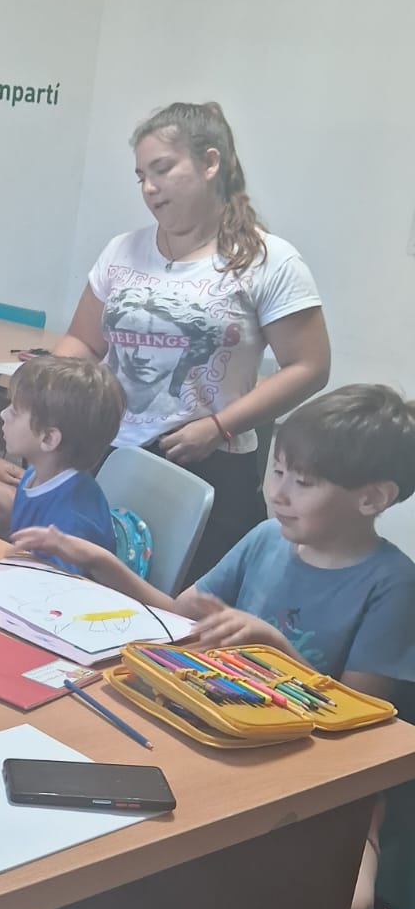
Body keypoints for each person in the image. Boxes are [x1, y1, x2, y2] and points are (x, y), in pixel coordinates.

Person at [9, 384, 415, 909]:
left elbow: (364, 720)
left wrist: (271, 648)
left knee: (350, 902)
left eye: (303, 482)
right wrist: (99, 561)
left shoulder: (392, 584)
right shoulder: (265, 539)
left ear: (372, 498)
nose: (278, 492)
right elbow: (177, 618)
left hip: (324, 781)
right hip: (219, 736)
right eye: (277, 470)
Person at [54, 100, 331, 579]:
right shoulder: (123, 249)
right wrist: (46, 391)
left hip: (208, 461)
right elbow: (83, 342)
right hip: (111, 452)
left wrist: (219, 426)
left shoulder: (270, 260)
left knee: (181, 605)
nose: (149, 187)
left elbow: (309, 367)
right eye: (141, 176)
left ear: (210, 163)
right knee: (90, 586)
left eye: (162, 169)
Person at [0, 356, 126, 574]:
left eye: (14, 411)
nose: (3, 415)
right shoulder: (36, 473)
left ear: (49, 439)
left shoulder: (71, 518)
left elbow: (55, 584)